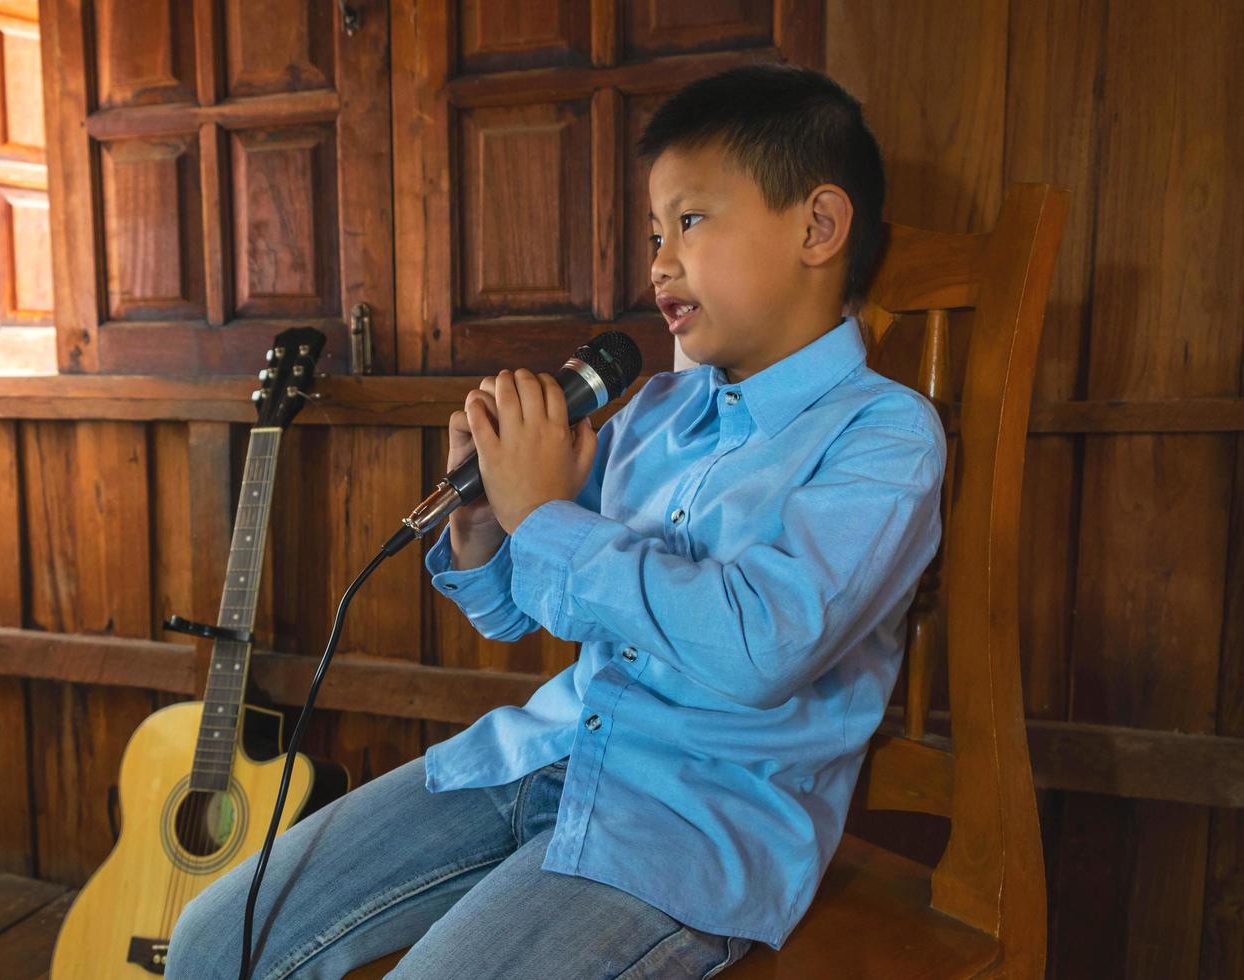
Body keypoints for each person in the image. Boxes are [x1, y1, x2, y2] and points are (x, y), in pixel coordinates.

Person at [167, 63, 945, 979]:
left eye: (691, 221)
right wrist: (491, 516)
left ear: (818, 226)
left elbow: (761, 649)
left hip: (692, 825)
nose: (658, 262)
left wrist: (544, 511)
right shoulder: (654, 409)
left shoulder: (884, 434)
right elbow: (512, 614)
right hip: (541, 751)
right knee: (212, 942)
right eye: (655, 230)